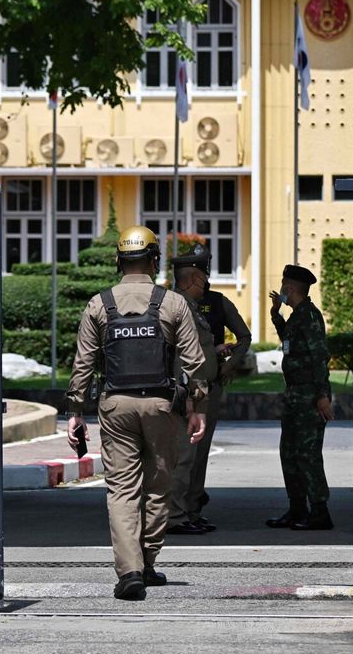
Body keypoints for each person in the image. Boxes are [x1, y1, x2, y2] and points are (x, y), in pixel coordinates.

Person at [66, 226, 210, 600]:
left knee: (122, 490)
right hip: (161, 406)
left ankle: (129, 571)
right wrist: (198, 408)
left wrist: (76, 411)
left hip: (115, 406)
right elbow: (195, 363)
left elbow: (83, 363)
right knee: (159, 484)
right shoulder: (173, 303)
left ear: (118, 259)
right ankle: (146, 561)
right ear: (154, 260)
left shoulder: (100, 304)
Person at [167, 245, 251, 535]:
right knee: (183, 454)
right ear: (193, 277)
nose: (206, 280)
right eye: (202, 274)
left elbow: (240, 338)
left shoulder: (216, 302)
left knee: (197, 454)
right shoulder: (174, 305)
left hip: (204, 389)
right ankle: (176, 513)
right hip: (186, 392)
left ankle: (190, 508)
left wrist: (226, 364)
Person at [265, 264, 335, 531]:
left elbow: (320, 358)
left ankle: (319, 511)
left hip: (308, 396)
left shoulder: (310, 317)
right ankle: (297, 509)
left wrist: (322, 396)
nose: (281, 289)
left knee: (308, 454)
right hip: (295, 394)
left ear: (290, 288)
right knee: (290, 453)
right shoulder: (296, 316)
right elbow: (290, 344)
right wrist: (276, 316)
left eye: (284, 284)